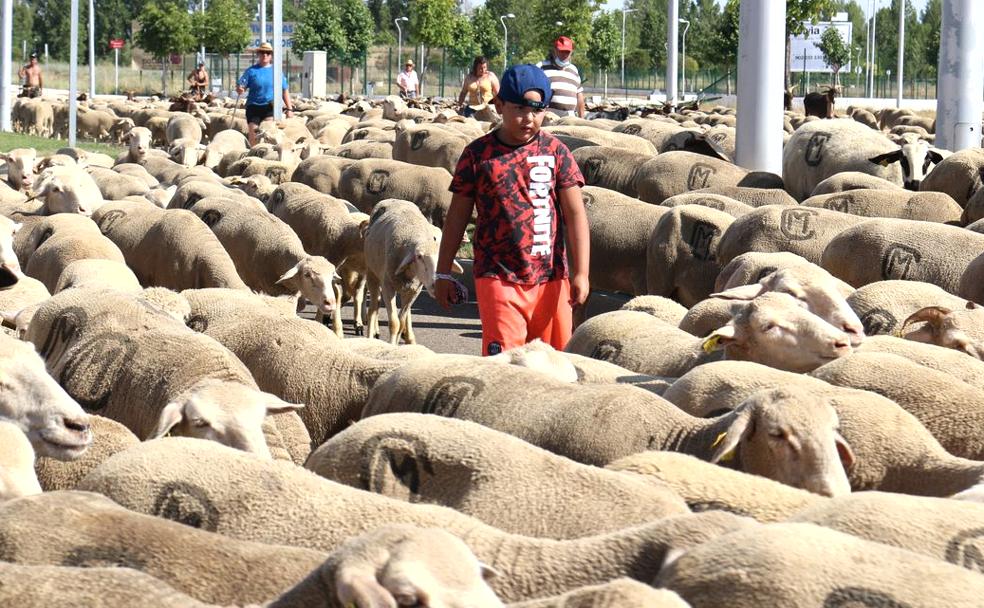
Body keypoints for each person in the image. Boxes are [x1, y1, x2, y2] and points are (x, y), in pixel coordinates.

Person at [436, 64, 589, 356]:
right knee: (505, 367)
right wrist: (443, 272)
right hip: (497, 275)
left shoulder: (556, 152)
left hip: (551, 277)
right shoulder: (478, 155)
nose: (528, 118)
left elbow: (575, 214)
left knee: (555, 367)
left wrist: (581, 273)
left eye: (538, 110)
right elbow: (457, 217)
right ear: (499, 104)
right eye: (519, 108)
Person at [236, 42, 294, 146]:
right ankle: (253, 154)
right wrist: (240, 89)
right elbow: (241, 85)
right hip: (254, 107)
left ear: (271, 55)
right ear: (258, 54)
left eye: (268, 53)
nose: (265, 55)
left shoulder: (276, 71)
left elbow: (284, 90)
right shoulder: (251, 71)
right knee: (254, 136)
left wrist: (289, 109)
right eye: (262, 52)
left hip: (270, 107)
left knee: (269, 134)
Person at [537, 36, 585, 118]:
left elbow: (579, 97)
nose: (564, 55)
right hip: (548, 119)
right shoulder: (541, 67)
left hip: (570, 119)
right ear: (555, 51)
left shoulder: (574, 70)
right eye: (561, 51)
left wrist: (582, 119)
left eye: (567, 52)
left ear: (571, 52)